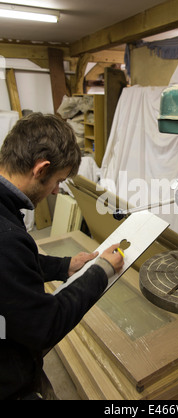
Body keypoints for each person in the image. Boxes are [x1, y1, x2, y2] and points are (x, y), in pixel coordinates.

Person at [0, 113, 124, 400]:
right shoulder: (6, 237)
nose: (57, 190)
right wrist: (101, 270)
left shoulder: (6, 219)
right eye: (58, 180)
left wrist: (66, 266)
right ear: (41, 170)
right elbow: (45, 326)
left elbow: (15, 267)